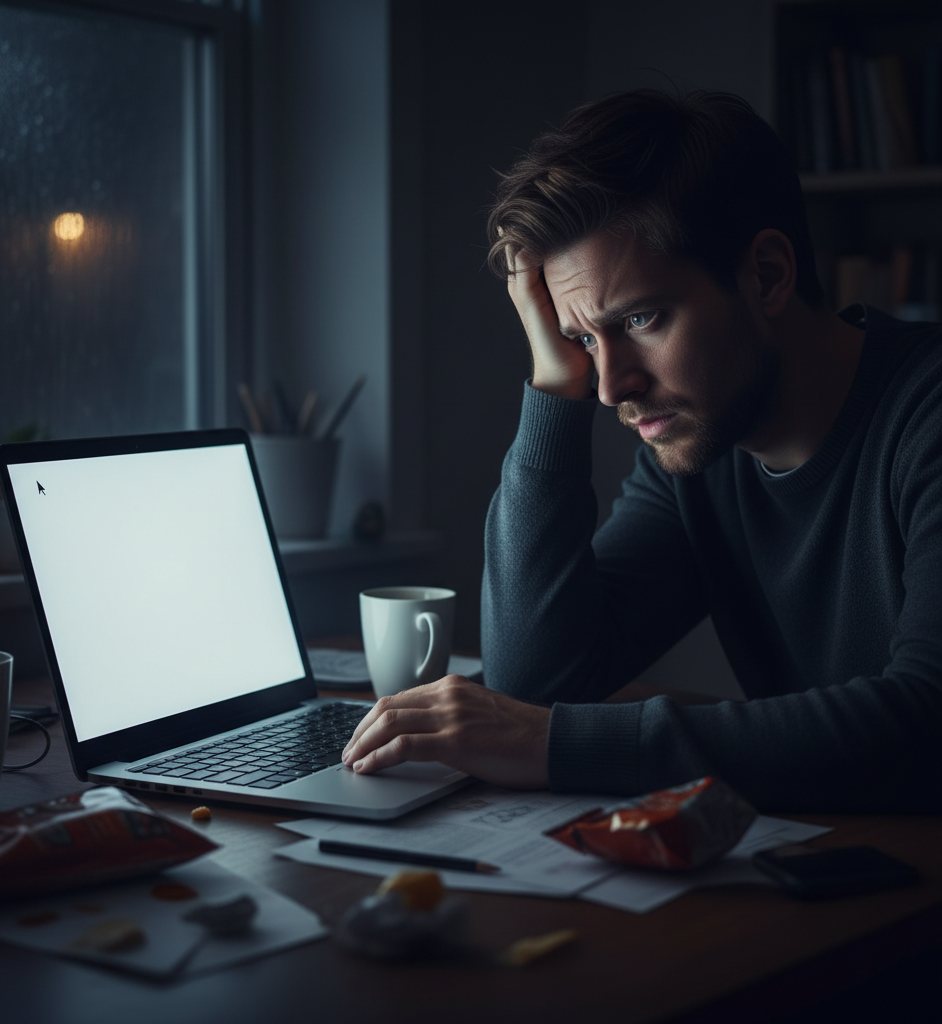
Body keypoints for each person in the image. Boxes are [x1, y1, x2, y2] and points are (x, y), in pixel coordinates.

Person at [341, 90, 942, 812]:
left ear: (769, 275)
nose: (611, 386)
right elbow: (537, 680)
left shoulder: (924, 415)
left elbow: (924, 722)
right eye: (585, 340)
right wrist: (551, 384)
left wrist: (552, 744)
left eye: (642, 319)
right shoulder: (698, 451)